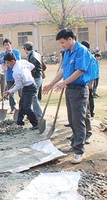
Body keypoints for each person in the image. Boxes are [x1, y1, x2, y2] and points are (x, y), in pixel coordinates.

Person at [43, 29, 92, 164]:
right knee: (71, 119)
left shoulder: (81, 51)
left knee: (78, 120)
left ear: (70, 39)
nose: (62, 45)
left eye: (63, 42)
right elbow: (63, 70)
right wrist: (51, 84)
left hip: (79, 90)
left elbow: (80, 70)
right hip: (69, 89)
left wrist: (63, 82)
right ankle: (75, 143)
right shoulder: (66, 52)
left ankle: (79, 151)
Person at [3, 53, 38, 130]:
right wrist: (26, 74)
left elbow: (18, 86)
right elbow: (32, 66)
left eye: (8, 63)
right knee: (21, 104)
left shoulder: (16, 72)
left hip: (31, 87)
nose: (7, 64)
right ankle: (19, 121)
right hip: (26, 87)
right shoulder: (23, 61)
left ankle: (36, 123)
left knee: (26, 107)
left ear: (12, 61)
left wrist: (9, 91)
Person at [0, 39, 21, 114]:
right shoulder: (2, 55)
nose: (7, 46)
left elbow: (17, 61)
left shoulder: (16, 52)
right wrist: (4, 67)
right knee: (10, 92)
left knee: (20, 92)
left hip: (17, 75)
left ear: (10, 44)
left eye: (8, 44)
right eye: (5, 45)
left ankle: (22, 108)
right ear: (3, 46)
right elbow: (2, 64)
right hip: (9, 76)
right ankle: (13, 107)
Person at [23, 41, 43, 119]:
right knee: (33, 97)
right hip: (37, 77)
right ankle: (34, 113)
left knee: (33, 97)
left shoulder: (32, 57)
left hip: (36, 78)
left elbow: (33, 69)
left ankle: (39, 115)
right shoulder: (34, 54)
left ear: (25, 48)